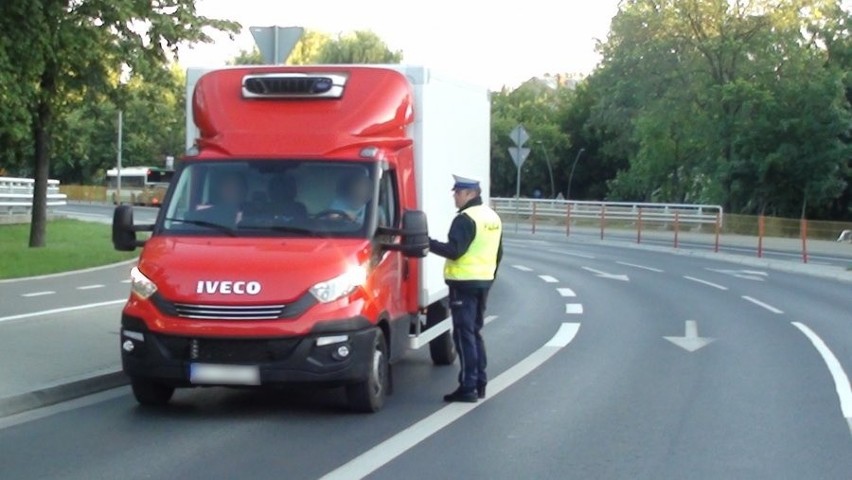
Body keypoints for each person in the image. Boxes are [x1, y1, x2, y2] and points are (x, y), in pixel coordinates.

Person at [429, 174, 503, 403]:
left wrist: (427, 243)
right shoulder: (492, 217)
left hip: (464, 284)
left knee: (463, 335)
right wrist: (489, 278)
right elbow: (498, 252)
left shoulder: (465, 218)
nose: (455, 196)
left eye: (458, 192)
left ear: (471, 194)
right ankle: (480, 382)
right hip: (482, 283)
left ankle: (468, 386)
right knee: (475, 333)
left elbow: (454, 250)